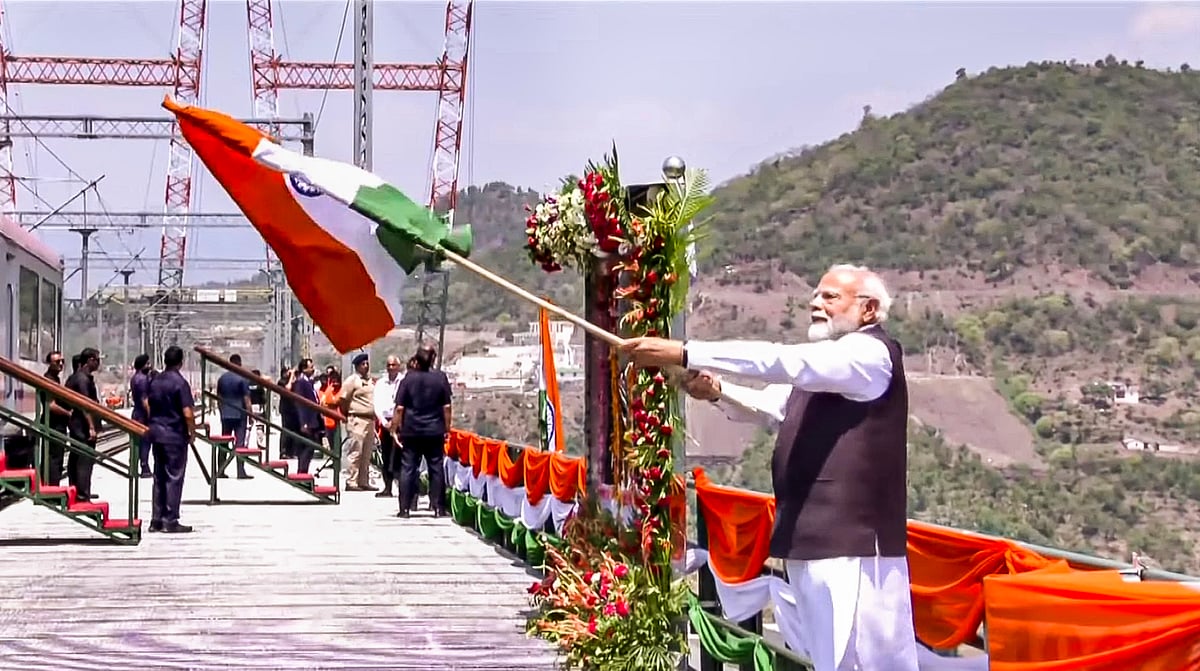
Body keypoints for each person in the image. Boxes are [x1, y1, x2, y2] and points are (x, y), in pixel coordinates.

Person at [621, 264, 919, 671]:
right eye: (816, 294)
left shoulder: (867, 355)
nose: (816, 302)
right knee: (830, 661)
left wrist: (685, 350)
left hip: (856, 552)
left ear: (868, 310)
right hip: (813, 546)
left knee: (861, 662)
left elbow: (781, 360)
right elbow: (771, 405)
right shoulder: (825, 370)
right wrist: (716, 391)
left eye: (830, 297)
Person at [391, 345, 451, 519]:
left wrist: (395, 429)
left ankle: (405, 509)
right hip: (434, 430)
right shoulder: (440, 378)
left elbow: (400, 408)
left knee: (408, 468)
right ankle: (438, 508)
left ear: (416, 359)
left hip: (411, 430)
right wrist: (447, 429)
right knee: (436, 468)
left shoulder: (408, 380)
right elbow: (446, 407)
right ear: (432, 359)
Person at [147, 345, 195, 533]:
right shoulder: (180, 383)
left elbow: (149, 405)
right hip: (174, 435)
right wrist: (192, 432)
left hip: (156, 433)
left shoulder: (155, 381)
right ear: (180, 362)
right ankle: (170, 520)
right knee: (174, 477)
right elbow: (188, 413)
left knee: (159, 477)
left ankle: (156, 519)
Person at [65, 347, 101, 501]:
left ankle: (77, 489)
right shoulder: (82, 379)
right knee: (84, 459)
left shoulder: (77, 377)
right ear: (90, 360)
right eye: (97, 360)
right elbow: (86, 405)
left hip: (77, 425)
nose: (98, 363)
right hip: (82, 426)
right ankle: (82, 494)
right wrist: (92, 427)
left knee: (77, 458)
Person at [338, 353, 378, 491]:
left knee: (367, 453)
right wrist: (347, 413)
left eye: (367, 364)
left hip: (370, 420)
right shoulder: (352, 380)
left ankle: (363, 481)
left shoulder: (370, 381)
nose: (365, 366)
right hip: (357, 419)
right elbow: (342, 399)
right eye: (363, 364)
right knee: (356, 451)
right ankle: (352, 481)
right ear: (357, 366)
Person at [214, 353, 253, 480]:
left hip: (226, 414)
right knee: (240, 443)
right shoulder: (242, 379)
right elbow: (247, 399)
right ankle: (240, 471)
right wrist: (251, 415)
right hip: (240, 414)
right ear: (239, 364)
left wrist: (221, 411)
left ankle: (220, 470)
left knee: (224, 442)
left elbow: (218, 398)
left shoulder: (222, 378)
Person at [372, 355, 404, 498]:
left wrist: (396, 422)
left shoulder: (403, 382)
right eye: (389, 365)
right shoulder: (380, 383)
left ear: (398, 366)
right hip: (385, 422)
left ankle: (402, 487)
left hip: (401, 423)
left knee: (399, 455)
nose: (391, 368)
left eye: (393, 365)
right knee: (385, 455)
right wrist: (385, 423)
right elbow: (377, 404)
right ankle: (387, 487)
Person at [40, 350, 71, 485]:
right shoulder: (48, 380)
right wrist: (68, 413)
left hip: (57, 424)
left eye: (62, 361)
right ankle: (51, 486)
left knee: (56, 457)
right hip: (52, 424)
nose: (61, 364)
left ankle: (52, 484)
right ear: (49, 363)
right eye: (57, 362)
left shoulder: (56, 379)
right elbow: (51, 405)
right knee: (54, 457)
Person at [291, 358, 323, 475]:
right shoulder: (301, 382)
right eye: (311, 367)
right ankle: (302, 472)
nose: (313, 369)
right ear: (304, 369)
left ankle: (304, 471)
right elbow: (300, 403)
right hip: (307, 421)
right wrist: (304, 422)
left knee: (310, 447)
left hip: (313, 419)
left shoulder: (309, 382)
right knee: (307, 447)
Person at [129, 353, 153, 478]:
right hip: (143, 415)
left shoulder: (134, 378)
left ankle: (133, 466)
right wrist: (151, 415)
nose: (149, 366)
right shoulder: (143, 379)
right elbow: (145, 400)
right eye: (148, 363)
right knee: (145, 442)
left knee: (136, 442)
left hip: (136, 413)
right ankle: (145, 467)